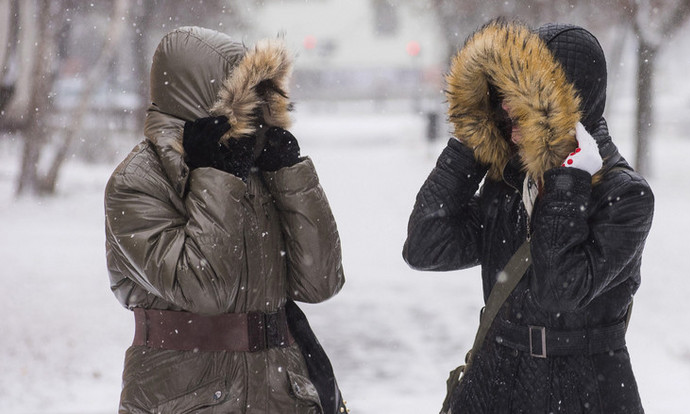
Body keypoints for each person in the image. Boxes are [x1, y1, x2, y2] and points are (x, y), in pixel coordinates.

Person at [403, 19, 654, 413]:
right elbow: (425, 246)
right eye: (501, 91)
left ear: (565, 102)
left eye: (519, 93)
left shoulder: (624, 195)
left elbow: (560, 292)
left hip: (586, 392)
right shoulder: (507, 180)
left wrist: (566, 181)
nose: (504, 105)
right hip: (494, 384)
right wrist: (472, 144)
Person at [104, 27, 345, 414]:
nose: (253, 114)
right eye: (244, 99)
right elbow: (204, 290)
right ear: (206, 98)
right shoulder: (138, 183)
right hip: (187, 396)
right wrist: (215, 175)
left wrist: (289, 173)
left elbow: (322, 281)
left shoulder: (253, 169)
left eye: (259, 101)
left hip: (281, 392)